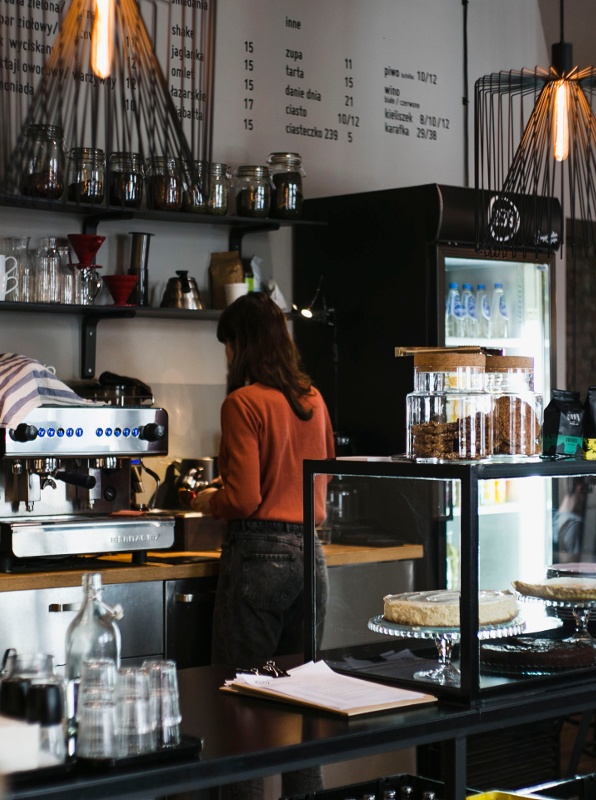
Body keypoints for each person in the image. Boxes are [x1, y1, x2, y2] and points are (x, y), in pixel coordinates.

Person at [190, 293, 333, 800]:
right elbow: (317, 482)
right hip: (310, 554)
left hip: (258, 556)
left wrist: (209, 500)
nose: (227, 356)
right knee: (302, 704)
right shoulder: (313, 400)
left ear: (241, 344)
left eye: (227, 345)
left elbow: (244, 498)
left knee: (244, 711)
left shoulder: (243, 402)